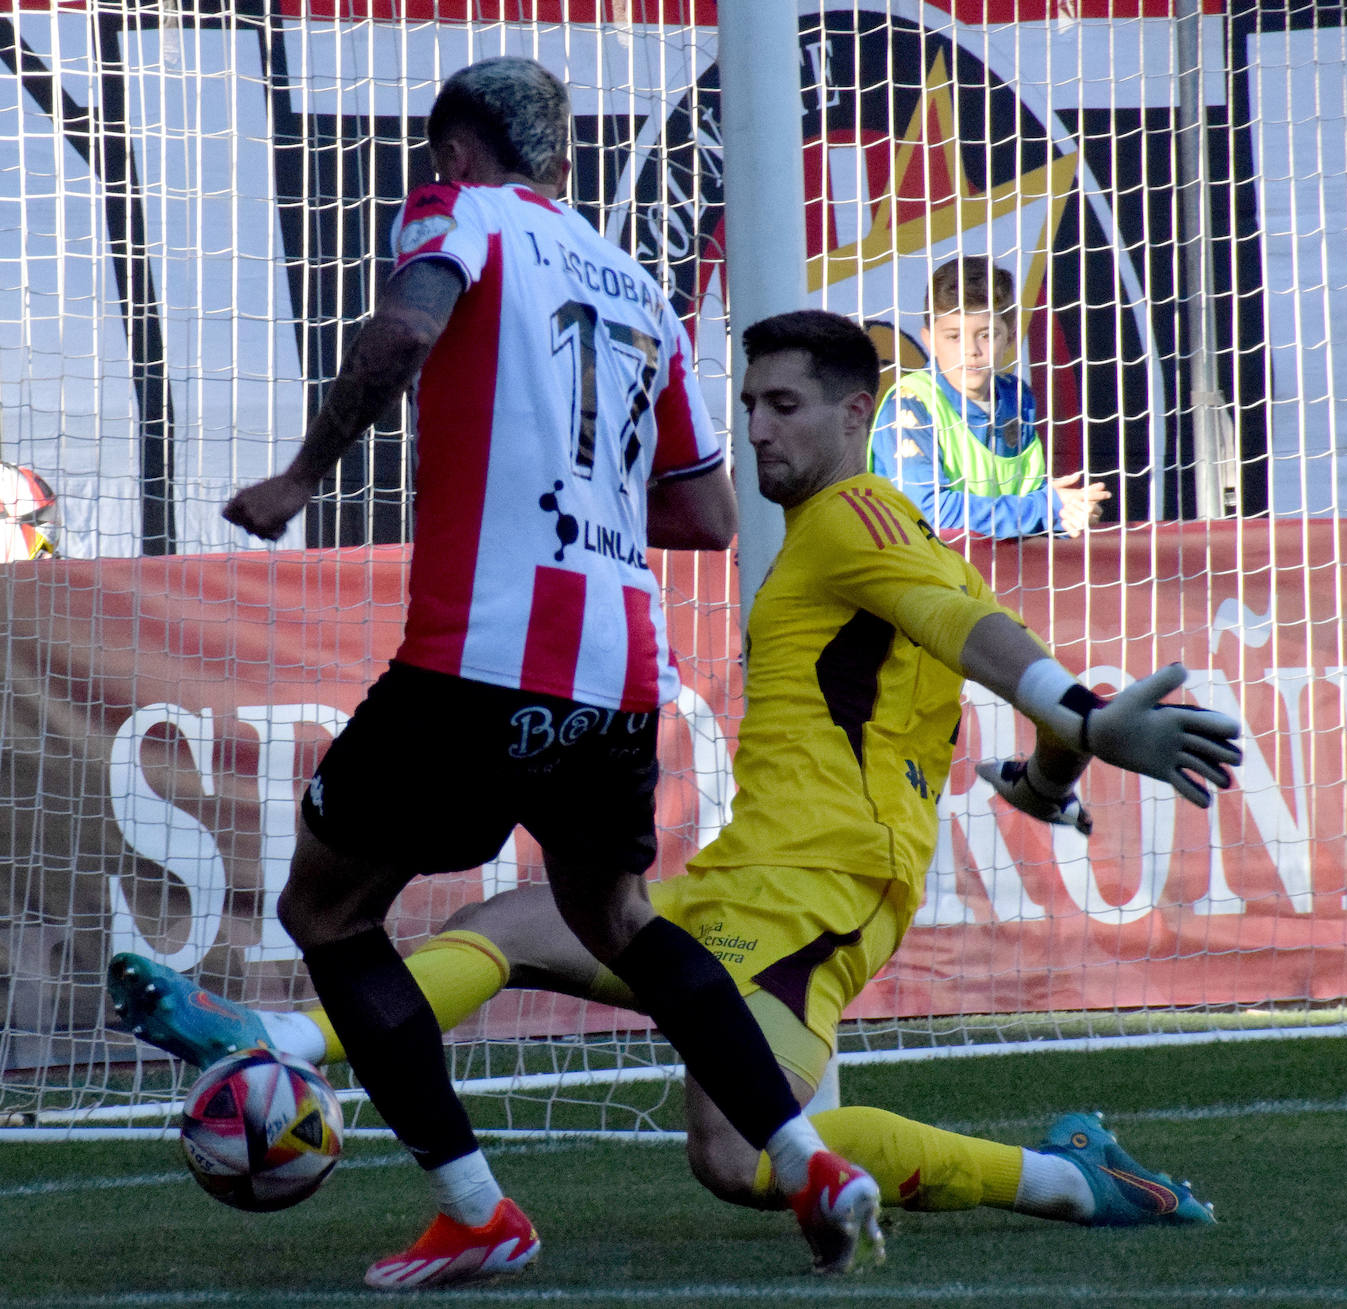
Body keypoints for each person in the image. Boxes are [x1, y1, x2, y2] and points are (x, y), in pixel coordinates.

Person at [116, 309, 1240, 1249]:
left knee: (737, 1150)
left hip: (813, 889)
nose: (757, 428)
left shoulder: (852, 516)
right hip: (757, 877)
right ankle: (284, 1042)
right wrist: (1050, 768)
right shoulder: (895, 535)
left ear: (861, 412)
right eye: (748, 405)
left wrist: (1081, 721)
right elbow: (977, 635)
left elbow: (971, 626)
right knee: (514, 920)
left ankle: (1063, 1179)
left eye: (784, 405)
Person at [210, 60, 884, 1288]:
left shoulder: (456, 213)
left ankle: (475, 1207)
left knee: (326, 912)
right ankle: (807, 1159)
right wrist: (579, 494)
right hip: (619, 667)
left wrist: (303, 477)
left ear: (455, 154)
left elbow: (407, 330)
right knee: (617, 915)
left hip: (478, 656)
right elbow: (709, 514)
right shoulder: (641, 288)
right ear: (567, 166)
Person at [869, 257, 1110, 539]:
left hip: (1001, 577)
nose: (971, 351)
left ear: (1010, 338)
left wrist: (1067, 514)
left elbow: (1027, 498)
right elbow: (927, 513)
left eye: (986, 335)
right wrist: (1045, 507)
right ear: (929, 339)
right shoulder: (910, 402)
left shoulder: (1017, 398)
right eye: (954, 337)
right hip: (922, 577)